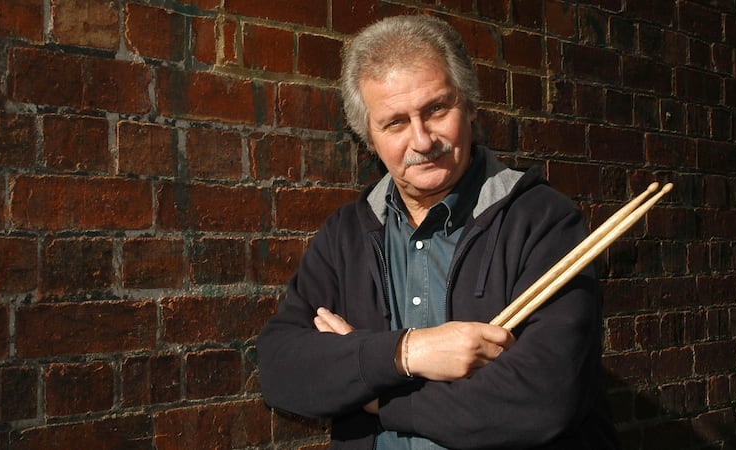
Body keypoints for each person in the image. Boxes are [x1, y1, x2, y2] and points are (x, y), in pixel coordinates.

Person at [257, 14, 618, 449]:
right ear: (369, 138)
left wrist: (372, 394)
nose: (422, 140)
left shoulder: (543, 221)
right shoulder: (345, 236)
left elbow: (542, 400)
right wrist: (407, 352)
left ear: (469, 105)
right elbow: (280, 370)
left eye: (436, 109)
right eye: (395, 123)